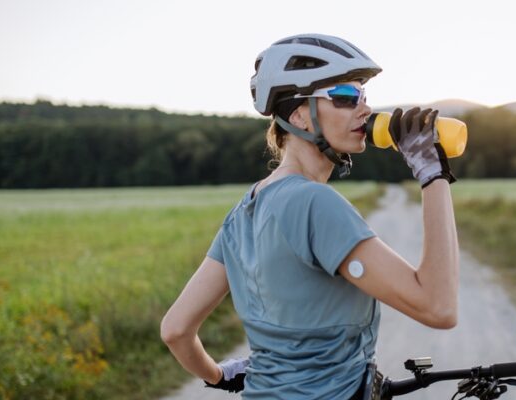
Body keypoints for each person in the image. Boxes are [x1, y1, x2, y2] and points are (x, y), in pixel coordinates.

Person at [160, 33, 460, 399]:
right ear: (299, 115)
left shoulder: (243, 212)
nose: (364, 110)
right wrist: (432, 175)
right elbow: (437, 307)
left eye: (363, 97)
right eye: (346, 97)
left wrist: (222, 376)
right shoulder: (316, 203)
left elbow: (175, 330)